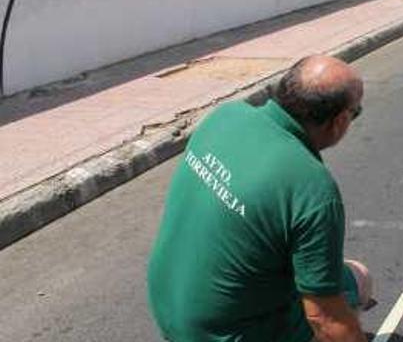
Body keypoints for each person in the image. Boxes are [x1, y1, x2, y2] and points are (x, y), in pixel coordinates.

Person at [147, 55, 372, 342]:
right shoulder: (312, 187)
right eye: (356, 112)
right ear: (340, 121)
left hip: (170, 313)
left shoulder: (225, 115)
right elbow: (324, 318)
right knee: (358, 278)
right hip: (221, 334)